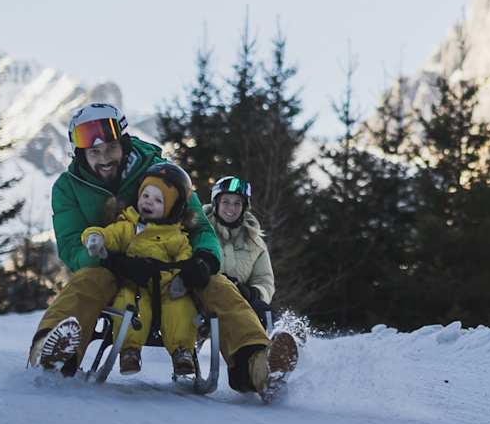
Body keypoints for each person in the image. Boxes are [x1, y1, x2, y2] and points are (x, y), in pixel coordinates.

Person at [27, 103, 295, 401]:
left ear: (124, 143)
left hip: (173, 268)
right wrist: (112, 260)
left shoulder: (161, 172)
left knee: (220, 287)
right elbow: (70, 246)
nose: (104, 159)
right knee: (87, 282)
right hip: (111, 268)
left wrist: (204, 260)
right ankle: (49, 353)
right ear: (81, 154)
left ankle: (259, 366)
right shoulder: (68, 187)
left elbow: (201, 228)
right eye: (94, 153)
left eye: (110, 149)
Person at [81, 163, 198, 376]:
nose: (148, 203)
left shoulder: (175, 235)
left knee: (181, 306)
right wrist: (96, 237)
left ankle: (183, 351)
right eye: (145, 196)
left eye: (158, 200)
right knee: (128, 302)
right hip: (135, 283)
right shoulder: (129, 225)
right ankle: (129, 350)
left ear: (172, 208)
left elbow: (184, 257)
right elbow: (111, 235)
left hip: (166, 287)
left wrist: (183, 277)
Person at [209, 176, 275, 324]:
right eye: (226, 202)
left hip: (240, 304)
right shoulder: (200, 232)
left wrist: (254, 293)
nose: (231, 208)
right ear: (216, 203)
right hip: (204, 300)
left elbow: (264, 280)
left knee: (263, 311)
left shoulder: (255, 243)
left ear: (244, 207)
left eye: (237, 203)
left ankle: (284, 340)